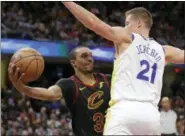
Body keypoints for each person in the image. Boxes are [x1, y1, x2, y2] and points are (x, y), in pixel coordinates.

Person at [62, 2, 184, 135]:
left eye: (127, 23)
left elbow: (94, 23)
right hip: (151, 116)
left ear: (138, 23)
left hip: (124, 110)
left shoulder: (128, 38)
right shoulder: (164, 50)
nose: (125, 26)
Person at [8, 46, 111, 136]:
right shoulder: (69, 84)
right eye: (84, 56)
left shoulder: (108, 79)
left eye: (90, 56)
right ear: (73, 62)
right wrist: (21, 87)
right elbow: (49, 94)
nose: (90, 59)